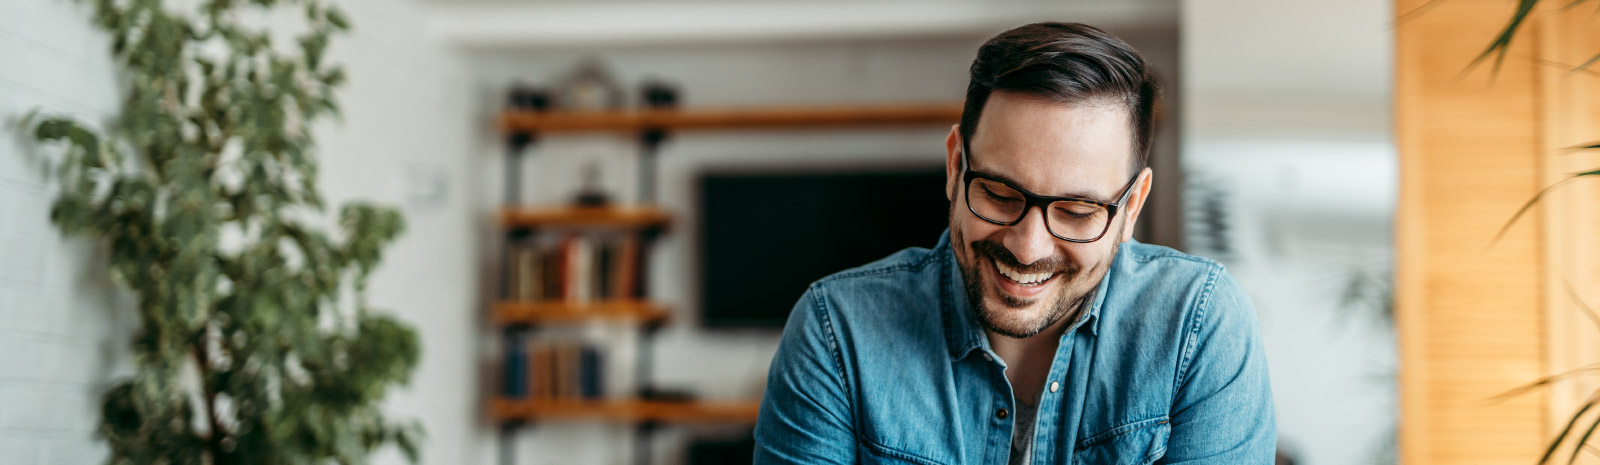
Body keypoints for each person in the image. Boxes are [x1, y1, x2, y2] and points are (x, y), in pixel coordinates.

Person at [752, 22, 1275, 464]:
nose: (1027, 248)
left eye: (1075, 211)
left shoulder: (1199, 324)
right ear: (956, 165)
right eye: (1000, 194)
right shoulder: (836, 332)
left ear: (1131, 207)